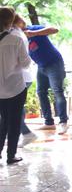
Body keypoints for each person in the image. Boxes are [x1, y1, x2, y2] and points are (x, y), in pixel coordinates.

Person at [13, 16, 68, 135]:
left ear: (21, 23)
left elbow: (54, 29)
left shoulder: (34, 28)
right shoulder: (18, 37)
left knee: (57, 91)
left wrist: (33, 33)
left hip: (54, 63)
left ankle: (63, 122)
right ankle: (49, 122)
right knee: (41, 92)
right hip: (41, 66)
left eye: (15, 24)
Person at [0, 7, 32, 164]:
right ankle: (11, 155)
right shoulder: (16, 39)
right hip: (16, 88)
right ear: (10, 21)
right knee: (13, 122)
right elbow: (26, 64)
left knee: (3, 121)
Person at [10, 15, 37, 146]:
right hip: (22, 77)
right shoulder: (17, 33)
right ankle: (22, 133)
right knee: (16, 108)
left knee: (12, 109)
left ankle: (26, 133)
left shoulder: (14, 35)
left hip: (19, 77)